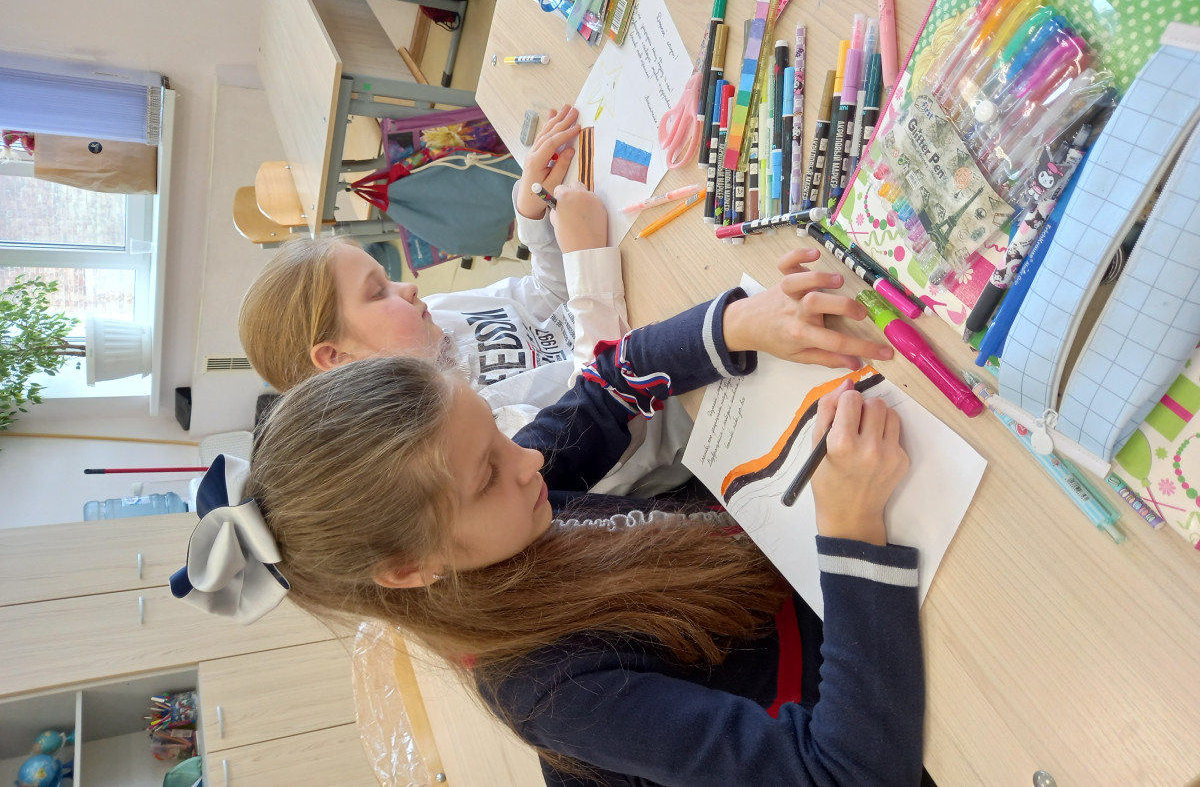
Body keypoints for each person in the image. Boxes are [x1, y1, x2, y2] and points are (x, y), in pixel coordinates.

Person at [174, 253, 922, 787]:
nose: (530, 460)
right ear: (410, 568)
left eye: (497, 437)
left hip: (811, 589)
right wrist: (852, 532)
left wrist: (738, 324)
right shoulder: (553, 689)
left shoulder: (501, 512)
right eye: (488, 473)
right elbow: (848, 771)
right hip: (883, 696)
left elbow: (606, 386)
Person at [239, 105, 692, 496]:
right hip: (684, 398)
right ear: (337, 357)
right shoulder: (452, 436)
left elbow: (546, 296)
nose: (408, 288)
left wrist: (531, 212)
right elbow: (609, 418)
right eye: (378, 293)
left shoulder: (430, 320)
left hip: (636, 308)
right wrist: (586, 259)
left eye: (388, 279)